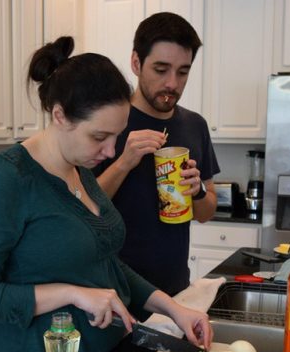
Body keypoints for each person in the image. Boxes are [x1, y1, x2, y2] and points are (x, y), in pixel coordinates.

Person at [0, 36, 213, 352]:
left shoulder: (80, 170)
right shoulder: (7, 179)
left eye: (117, 136)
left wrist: (173, 308)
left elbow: (106, 264)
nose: (111, 151)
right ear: (60, 116)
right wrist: (73, 294)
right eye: (99, 137)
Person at [94, 12, 219, 296]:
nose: (173, 83)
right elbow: (81, 208)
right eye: (161, 69)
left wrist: (196, 189)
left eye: (183, 71)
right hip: (113, 292)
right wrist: (124, 163)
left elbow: (206, 212)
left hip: (175, 290)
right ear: (136, 63)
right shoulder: (107, 122)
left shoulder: (194, 125)